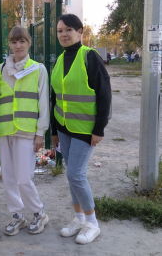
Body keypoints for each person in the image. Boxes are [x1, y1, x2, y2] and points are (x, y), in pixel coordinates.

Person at [50, 14, 111, 244]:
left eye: (68, 30)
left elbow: (104, 94)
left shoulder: (90, 56)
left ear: (80, 32)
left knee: (76, 174)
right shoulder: (60, 59)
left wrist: (99, 129)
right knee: (71, 174)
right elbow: (55, 97)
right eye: (59, 31)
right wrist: (54, 131)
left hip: (85, 129)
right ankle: (78, 218)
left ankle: (92, 223)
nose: (63, 34)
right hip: (64, 128)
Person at [0, 26, 50, 236]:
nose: (18, 46)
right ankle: (17, 215)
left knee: (23, 178)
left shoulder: (38, 69)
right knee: (8, 176)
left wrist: (40, 133)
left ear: (29, 43)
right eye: (14, 42)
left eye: (22, 41)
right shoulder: (0, 70)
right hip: (5, 129)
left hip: (27, 130)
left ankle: (38, 213)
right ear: (9, 44)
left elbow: (44, 102)